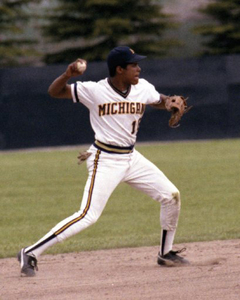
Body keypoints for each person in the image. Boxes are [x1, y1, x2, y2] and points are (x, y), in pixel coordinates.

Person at [18, 46, 189, 277]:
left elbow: (157, 99)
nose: (138, 68)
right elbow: (55, 92)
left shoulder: (142, 87)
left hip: (131, 158)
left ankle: (165, 253)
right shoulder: (94, 90)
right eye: (133, 65)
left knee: (171, 195)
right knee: (88, 215)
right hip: (105, 159)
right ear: (119, 69)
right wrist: (67, 74)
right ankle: (30, 252)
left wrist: (168, 102)